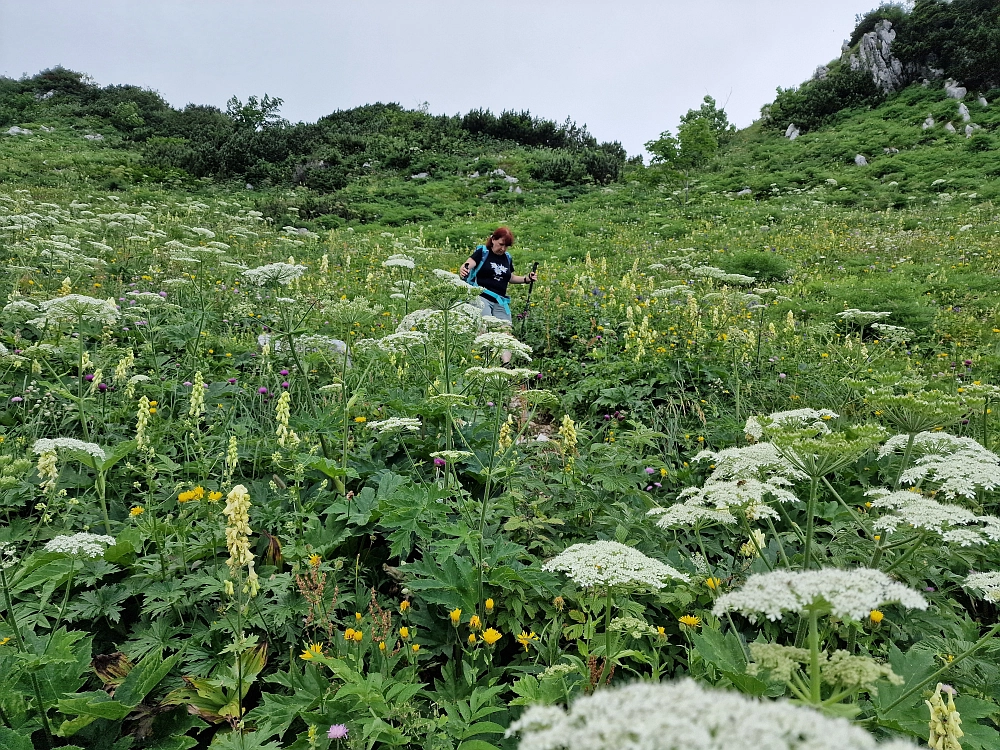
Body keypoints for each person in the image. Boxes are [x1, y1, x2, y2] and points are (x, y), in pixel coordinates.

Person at [458, 227, 537, 325]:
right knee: (486, 326)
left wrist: (527, 279)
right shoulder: (482, 252)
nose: (503, 249)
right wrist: (464, 269)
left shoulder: (507, 258)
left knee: (506, 330)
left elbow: (510, 278)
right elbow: (468, 264)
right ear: (493, 240)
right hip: (481, 297)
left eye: (506, 246)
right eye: (501, 244)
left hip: (500, 301)